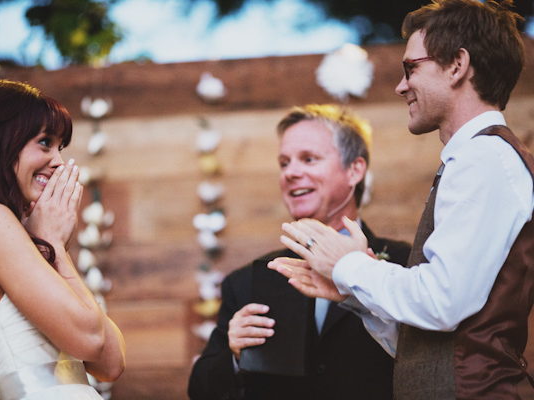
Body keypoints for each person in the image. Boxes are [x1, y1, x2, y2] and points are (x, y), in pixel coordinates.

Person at [269, 1, 534, 399]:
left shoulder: (485, 158)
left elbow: (441, 302)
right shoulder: (474, 159)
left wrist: (349, 264)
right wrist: (354, 292)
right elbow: (427, 348)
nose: (400, 85)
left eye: (412, 68)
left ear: (457, 65)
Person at [188, 104, 412, 400]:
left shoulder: (403, 263)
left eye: (308, 159)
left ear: (355, 170)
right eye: (284, 163)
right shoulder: (247, 282)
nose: (291, 173)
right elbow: (200, 390)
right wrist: (233, 355)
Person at [0, 77, 126, 399]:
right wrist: (55, 245)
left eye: (60, 147)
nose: (58, 161)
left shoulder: (22, 236)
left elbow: (110, 363)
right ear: (1, 144)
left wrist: (50, 245)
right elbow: (90, 340)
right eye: (44, 142)